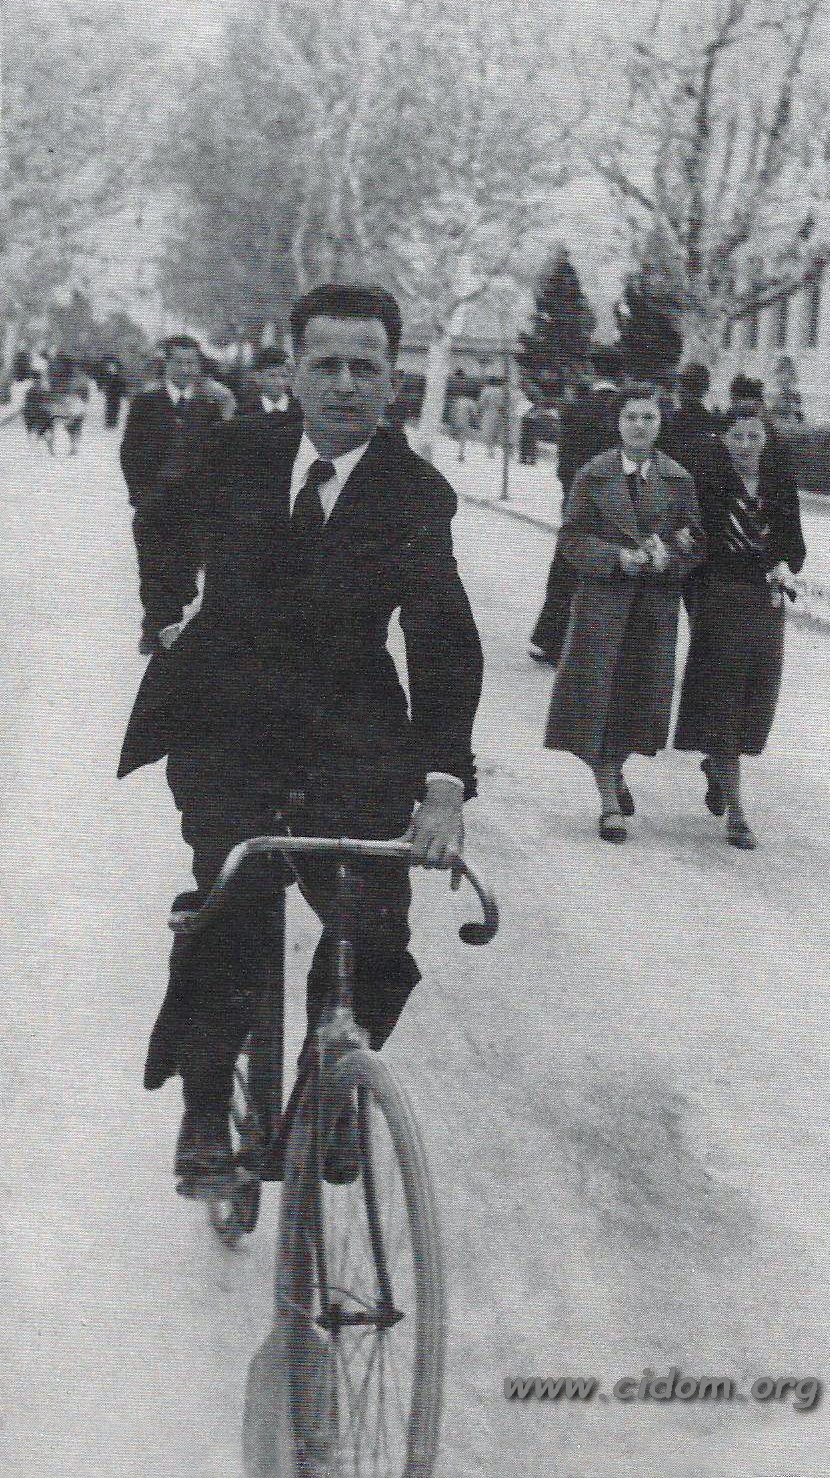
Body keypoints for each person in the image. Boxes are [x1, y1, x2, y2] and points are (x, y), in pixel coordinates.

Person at [116, 283, 483, 1194]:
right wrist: (167, 614)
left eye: (366, 366)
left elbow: (441, 636)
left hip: (350, 733)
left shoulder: (414, 494)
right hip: (226, 723)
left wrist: (443, 784)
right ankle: (207, 1108)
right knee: (229, 914)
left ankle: (330, 1087)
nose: (346, 385)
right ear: (294, 372)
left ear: (394, 378)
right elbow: (158, 522)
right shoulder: (235, 452)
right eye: (327, 365)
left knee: (377, 932)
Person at [544, 384, 705, 842]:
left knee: (636, 699)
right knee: (595, 697)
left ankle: (614, 769)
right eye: (631, 417)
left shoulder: (679, 478)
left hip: (653, 606)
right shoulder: (592, 475)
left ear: (661, 423)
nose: (639, 425)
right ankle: (608, 799)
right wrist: (615, 557)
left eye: (648, 417)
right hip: (602, 604)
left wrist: (669, 555)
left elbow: (695, 538)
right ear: (616, 423)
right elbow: (571, 538)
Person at [674, 404, 806, 849]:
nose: (745, 445)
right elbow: (693, 539)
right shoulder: (706, 482)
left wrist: (785, 566)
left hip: (766, 602)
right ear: (723, 438)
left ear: (766, 440)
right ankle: (737, 811)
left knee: (755, 698)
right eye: (737, 436)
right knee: (724, 697)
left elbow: (794, 545)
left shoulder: (779, 484)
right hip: (718, 599)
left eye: (754, 436)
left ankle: (718, 764)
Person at [120, 335, 230, 653]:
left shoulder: (209, 407)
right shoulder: (146, 404)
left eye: (192, 363)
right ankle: (154, 629)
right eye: (179, 362)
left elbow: (218, 456)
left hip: (195, 507)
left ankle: (172, 617)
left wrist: (213, 497)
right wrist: (139, 493)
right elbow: (130, 451)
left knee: (186, 571)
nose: (186, 369)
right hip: (154, 505)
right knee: (152, 567)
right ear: (166, 365)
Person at [528, 351, 621, 665]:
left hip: (577, 500)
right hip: (615, 504)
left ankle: (551, 640)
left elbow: (564, 462)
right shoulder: (624, 412)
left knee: (566, 568)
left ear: (593, 372)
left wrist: (571, 492)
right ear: (621, 375)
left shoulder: (576, 409)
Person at [235, 348, 302, 421]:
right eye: (272, 376)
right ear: (258, 378)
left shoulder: (299, 409)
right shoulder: (245, 412)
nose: (280, 382)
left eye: (284, 375)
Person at [447, 371, 478, 461]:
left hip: (455, 420)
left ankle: (455, 453)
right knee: (462, 438)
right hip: (464, 421)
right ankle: (460, 454)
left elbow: (452, 411)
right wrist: (475, 422)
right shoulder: (471, 402)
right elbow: (474, 414)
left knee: (455, 436)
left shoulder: (458, 400)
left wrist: (450, 419)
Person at [100, 357, 128, 429]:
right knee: (109, 408)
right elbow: (106, 384)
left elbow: (123, 387)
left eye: (113, 367)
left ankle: (112, 423)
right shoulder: (109, 376)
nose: (111, 368)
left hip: (116, 396)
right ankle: (109, 423)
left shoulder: (119, 378)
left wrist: (122, 392)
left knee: (115, 409)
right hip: (110, 395)